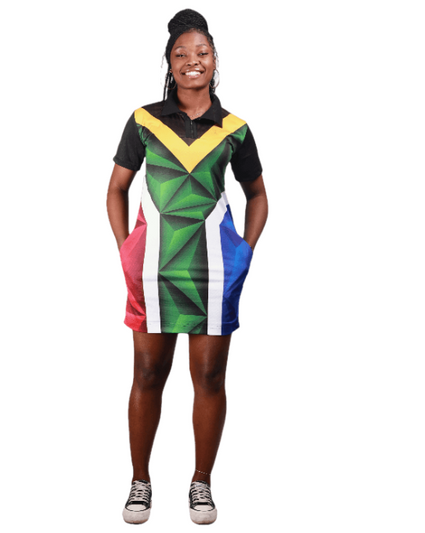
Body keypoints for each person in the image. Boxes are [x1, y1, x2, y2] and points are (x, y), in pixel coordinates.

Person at [107, 9, 268, 525]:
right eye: (181, 54)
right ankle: (140, 481)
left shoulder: (234, 129)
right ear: (169, 62)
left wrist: (243, 252)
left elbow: (258, 195)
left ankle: (202, 483)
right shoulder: (144, 121)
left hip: (213, 271)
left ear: (215, 60)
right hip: (153, 269)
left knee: (210, 376)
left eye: (201, 53)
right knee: (147, 373)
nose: (192, 61)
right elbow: (116, 189)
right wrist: (127, 249)